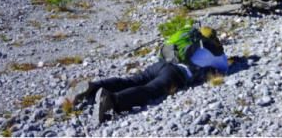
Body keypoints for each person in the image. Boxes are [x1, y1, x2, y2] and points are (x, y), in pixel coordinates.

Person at [70, 24, 228, 124]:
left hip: (162, 63)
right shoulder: (215, 53)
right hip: (176, 74)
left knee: (131, 80)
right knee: (150, 90)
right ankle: (112, 101)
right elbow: (224, 68)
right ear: (213, 39)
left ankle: (94, 87)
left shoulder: (189, 40)